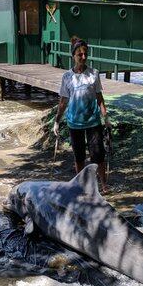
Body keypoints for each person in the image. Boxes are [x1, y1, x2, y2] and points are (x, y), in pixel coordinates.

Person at [53, 36, 110, 192]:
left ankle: (103, 184)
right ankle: (81, 185)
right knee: (79, 157)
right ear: (73, 56)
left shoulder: (94, 74)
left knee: (98, 155)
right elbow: (63, 101)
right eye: (80, 54)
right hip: (74, 122)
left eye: (85, 54)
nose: (83, 57)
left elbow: (99, 98)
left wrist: (106, 118)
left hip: (93, 121)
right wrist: (57, 121)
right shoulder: (67, 77)